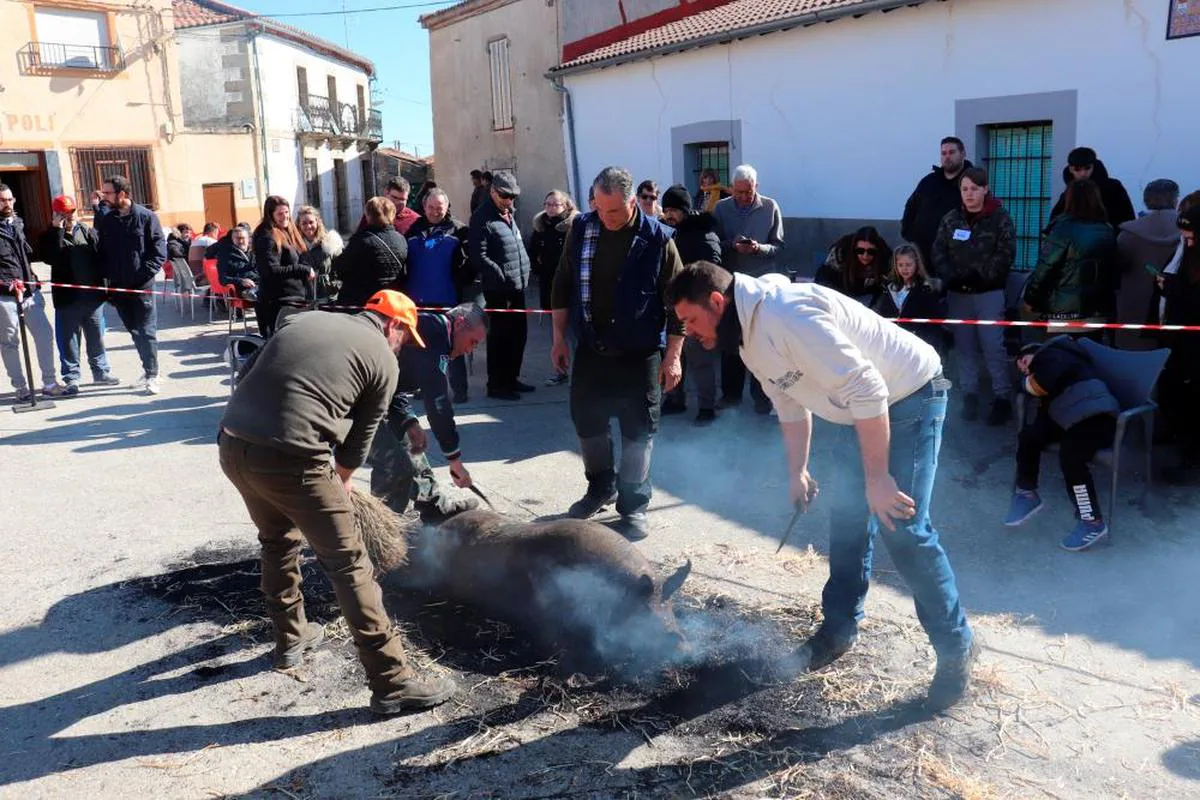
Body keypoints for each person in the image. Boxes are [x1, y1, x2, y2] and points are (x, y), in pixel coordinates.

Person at [667, 261, 976, 711]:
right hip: (859, 409)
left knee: (902, 526)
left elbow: (869, 387)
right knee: (848, 518)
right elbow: (789, 404)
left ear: (717, 302)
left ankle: (956, 649)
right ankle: (838, 630)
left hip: (909, 395)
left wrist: (878, 478)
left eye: (691, 320)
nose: (689, 332)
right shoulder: (747, 336)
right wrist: (798, 471)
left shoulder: (789, 316)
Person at [219, 289, 454, 715]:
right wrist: (340, 483)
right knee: (350, 564)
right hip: (292, 458)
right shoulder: (383, 359)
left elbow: (252, 371)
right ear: (394, 325)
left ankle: (291, 639)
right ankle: (392, 681)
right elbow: (360, 440)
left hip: (233, 444)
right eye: (405, 338)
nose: (402, 347)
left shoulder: (306, 319)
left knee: (277, 541)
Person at [550, 167, 685, 540]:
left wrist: (673, 356)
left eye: (613, 211)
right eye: (599, 208)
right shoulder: (582, 228)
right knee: (587, 422)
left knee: (638, 433)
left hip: (640, 354)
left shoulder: (658, 240)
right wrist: (559, 338)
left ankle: (634, 503)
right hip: (592, 348)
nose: (605, 218)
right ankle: (599, 487)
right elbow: (562, 282)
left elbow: (678, 305)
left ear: (631, 202)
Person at [367, 304, 490, 517]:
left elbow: (392, 382)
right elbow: (438, 403)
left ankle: (432, 506)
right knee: (395, 469)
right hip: (352, 397)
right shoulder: (433, 337)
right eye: (472, 342)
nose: (470, 350)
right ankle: (379, 531)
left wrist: (408, 420)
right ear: (459, 324)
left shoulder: (437, 333)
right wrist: (454, 459)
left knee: (411, 443)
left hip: (375, 392)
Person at [1005, 338, 1119, 550]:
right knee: (1029, 437)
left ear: (1036, 350)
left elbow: (1040, 383)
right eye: (1021, 369)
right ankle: (1027, 493)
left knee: (1071, 458)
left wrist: (1025, 384)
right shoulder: (1051, 385)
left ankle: (1091, 520)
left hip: (1098, 416)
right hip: (1069, 416)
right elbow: (1044, 407)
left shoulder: (1054, 354)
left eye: (1023, 361)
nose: (1024, 368)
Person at [932, 166, 1016, 426]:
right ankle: (969, 395)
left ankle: (1002, 397)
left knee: (993, 346)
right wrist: (951, 276)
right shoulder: (951, 219)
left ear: (985, 189)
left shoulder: (1000, 217)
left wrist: (982, 275)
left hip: (988, 293)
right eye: (964, 189)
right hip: (959, 294)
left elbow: (1006, 252)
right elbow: (938, 250)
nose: (969, 194)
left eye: (974, 189)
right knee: (964, 347)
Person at [711, 164, 786, 413]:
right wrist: (731, 244)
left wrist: (758, 248)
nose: (744, 197)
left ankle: (762, 396)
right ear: (732, 188)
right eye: (739, 192)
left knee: (761, 340)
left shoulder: (770, 207)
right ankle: (731, 394)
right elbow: (713, 244)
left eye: (749, 192)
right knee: (731, 339)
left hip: (762, 284)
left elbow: (778, 247)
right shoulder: (721, 208)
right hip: (731, 283)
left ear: (757, 187)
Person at [93, 175, 166, 395]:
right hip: (117, 287)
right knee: (134, 331)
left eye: (107, 193)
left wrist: (142, 275)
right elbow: (101, 252)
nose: (103, 197)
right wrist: (107, 284)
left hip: (141, 287)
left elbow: (159, 250)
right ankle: (148, 368)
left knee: (146, 330)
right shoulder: (106, 219)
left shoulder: (146, 217)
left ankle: (153, 375)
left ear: (122, 194)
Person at [38, 195, 118, 393]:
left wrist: (106, 291)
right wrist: (57, 229)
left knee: (96, 336)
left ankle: (101, 372)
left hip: (92, 296)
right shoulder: (48, 236)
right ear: (55, 214)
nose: (69, 216)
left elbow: (101, 260)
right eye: (64, 213)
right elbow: (50, 258)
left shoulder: (87, 231)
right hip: (67, 298)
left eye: (71, 212)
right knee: (69, 339)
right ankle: (72, 377)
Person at [658, 184, 723, 425]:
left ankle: (707, 406)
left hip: (695, 309)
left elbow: (714, 273)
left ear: (685, 210)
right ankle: (675, 398)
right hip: (671, 306)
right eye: (666, 210)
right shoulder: (665, 233)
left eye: (674, 210)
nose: (669, 215)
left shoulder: (704, 235)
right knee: (674, 355)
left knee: (700, 359)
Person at [406, 188, 476, 402]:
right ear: (424, 207)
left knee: (451, 349)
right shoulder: (412, 230)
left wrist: (463, 285)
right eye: (431, 207)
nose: (436, 211)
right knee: (423, 349)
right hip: (418, 300)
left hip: (448, 299)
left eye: (440, 207)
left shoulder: (459, 230)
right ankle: (426, 386)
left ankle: (459, 390)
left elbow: (471, 264)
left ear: (447, 207)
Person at [469, 170, 533, 400]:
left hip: (517, 286)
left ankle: (511, 379)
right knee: (500, 338)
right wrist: (500, 275)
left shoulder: (508, 213)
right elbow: (479, 255)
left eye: (512, 196)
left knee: (519, 336)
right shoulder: (481, 217)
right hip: (499, 289)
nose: (509, 200)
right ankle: (496, 385)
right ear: (493, 191)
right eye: (505, 195)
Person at [1, 183, 67, 400]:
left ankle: (49, 382)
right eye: (2, 200)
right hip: (5, 296)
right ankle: (20, 387)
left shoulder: (17, 223)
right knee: (10, 342)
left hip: (29, 291)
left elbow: (27, 256)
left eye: (10, 199)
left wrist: (33, 280)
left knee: (44, 335)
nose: (7, 204)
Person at [1023, 179, 1118, 330]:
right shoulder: (1106, 230)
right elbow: (1112, 271)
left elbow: (1045, 268)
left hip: (1063, 310)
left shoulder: (1062, 229)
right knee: (1089, 351)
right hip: (1096, 310)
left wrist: (1030, 299)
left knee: (1059, 351)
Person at [1158, 206, 1200, 481]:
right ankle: (1179, 442)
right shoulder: (1186, 253)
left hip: (1193, 344)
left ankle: (1190, 459)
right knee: (1174, 391)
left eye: (1192, 237)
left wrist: (1170, 288)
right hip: (1180, 340)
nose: (1187, 242)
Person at [1115, 179, 1181, 349]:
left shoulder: (1128, 235)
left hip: (1133, 312)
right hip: (1174, 312)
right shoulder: (1187, 232)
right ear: (1175, 200)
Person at [901, 136, 972, 271]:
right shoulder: (929, 181)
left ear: (963, 154)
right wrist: (909, 234)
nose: (947, 157)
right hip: (923, 256)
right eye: (943, 153)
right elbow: (911, 206)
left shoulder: (971, 183)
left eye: (952, 152)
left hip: (954, 259)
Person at [529, 189, 577, 387]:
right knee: (556, 335)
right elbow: (533, 253)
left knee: (575, 333)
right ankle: (560, 371)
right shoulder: (540, 227)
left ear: (566, 206)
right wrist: (539, 267)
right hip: (549, 287)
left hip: (571, 288)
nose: (550, 208)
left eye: (555, 204)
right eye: (547, 204)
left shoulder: (574, 228)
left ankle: (582, 373)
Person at [871, 243, 949, 354]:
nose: (904, 269)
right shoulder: (889, 288)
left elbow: (935, 318)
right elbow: (881, 312)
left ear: (917, 264)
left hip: (919, 342)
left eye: (908, 265)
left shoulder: (926, 289)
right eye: (900, 265)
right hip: (894, 343)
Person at [253, 196, 311, 338]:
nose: (285, 216)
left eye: (286, 212)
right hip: (277, 303)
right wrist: (303, 270)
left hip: (293, 299)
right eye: (280, 213)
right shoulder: (266, 237)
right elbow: (271, 270)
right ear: (270, 214)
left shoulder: (286, 231)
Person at [336, 197, 408, 309]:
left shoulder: (361, 240)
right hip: (391, 302)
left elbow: (341, 268)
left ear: (368, 216)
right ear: (392, 215)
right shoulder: (401, 239)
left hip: (361, 302)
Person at [1049, 147, 1135, 230]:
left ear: (1094, 166)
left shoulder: (1113, 188)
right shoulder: (1068, 192)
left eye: (1087, 168)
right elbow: (1054, 223)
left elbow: (1127, 219)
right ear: (1071, 169)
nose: (1083, 173)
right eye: (1077, 169)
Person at [815, 226, 890, 307]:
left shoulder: (885, 257)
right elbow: (822, 283)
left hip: (867, 297)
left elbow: (888, 289)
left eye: (871, 251)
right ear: (854, 249)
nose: (865, 256)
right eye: (860, 251)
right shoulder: (840, 254)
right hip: (838, 292)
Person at [296, 205, 344, 305]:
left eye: (311, 222)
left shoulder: (331, 242)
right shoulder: (295, 246)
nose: (308, 226)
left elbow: (343, 269)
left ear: (318, 222)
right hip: (305, 301)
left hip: (329, 300)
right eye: (304, 223)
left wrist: (332, 286)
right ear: (299, 225)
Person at [218, 226, 259, 302]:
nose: (240, 241)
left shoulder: (255, 253)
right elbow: (222, 279)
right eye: (237, 238)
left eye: (243, 238)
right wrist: (241, 281)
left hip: (261, 284)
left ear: (248, 239)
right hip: (244, 289)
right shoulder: (226, 256)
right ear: (233, 239)